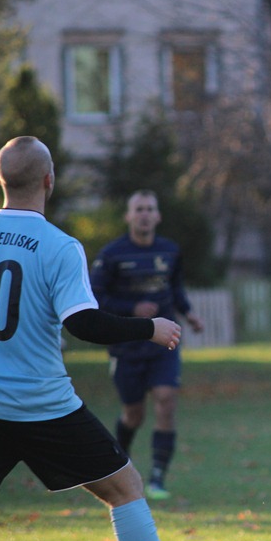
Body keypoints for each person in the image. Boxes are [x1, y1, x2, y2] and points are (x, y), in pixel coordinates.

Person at [0, 136, 183, 541]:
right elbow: (83, 323)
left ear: (0, 180)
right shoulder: (58, 245)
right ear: (49, 180)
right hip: (42, 405)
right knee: (125, 489)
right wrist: (151, 329)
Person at [91, 190, 203, 500]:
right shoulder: (112, 255)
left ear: (157, 216)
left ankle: (157, 479)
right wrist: (133, 309)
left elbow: (175, 289)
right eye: (138, 209)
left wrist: (190, 314)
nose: (144, 214)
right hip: (127, 347)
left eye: (150, 209)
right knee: (134, 415)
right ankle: (119, 467)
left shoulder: (170, 251)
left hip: (164, 343)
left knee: (167, 399)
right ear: (128, 216)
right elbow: (96, 297)